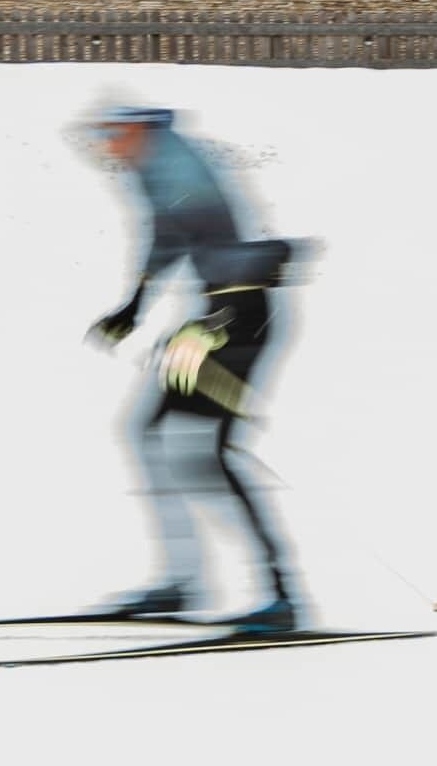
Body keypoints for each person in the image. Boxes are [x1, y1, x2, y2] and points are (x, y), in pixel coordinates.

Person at [83, 98, 302, 635]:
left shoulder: (178, 169)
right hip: (222, 317)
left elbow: (208, 240)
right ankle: (182, 583)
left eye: (111, 136)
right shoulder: (160, 169)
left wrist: (201, 326)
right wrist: (135, 309)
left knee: (211, 451)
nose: (106, 149)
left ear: (137, 130)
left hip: (239, 320)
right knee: (151, 432)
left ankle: (281, 596)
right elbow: (168, 241)